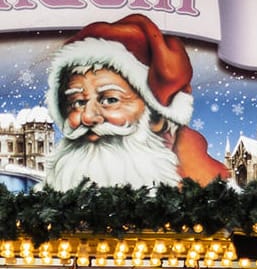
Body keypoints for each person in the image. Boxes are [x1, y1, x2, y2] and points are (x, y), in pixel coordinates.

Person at [44, 14, 232, 190]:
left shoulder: (203, 189)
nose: (87, 116)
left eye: (110, 100)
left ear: (156, 118)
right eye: (77, 102)